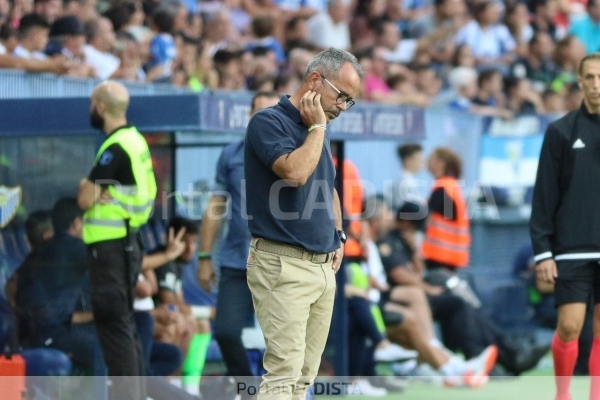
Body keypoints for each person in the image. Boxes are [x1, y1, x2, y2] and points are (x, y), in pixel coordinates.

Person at [243, 47, 363, 399]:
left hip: (321, 266)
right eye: (341, 96)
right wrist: (318, 128)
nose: (342, 106)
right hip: (282, 263)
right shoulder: (269, 122)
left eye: (349, 101)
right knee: (283, 374)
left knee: (304, 378)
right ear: (314, 80)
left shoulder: (317, 128)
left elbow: (328, 186)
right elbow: (295, 172)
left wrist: (338, 234)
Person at [197, 90, 280, 397]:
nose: (264, 118)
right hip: (237, 261)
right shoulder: (231, 154)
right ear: (248, 116)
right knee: (226, 332)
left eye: (271, 112)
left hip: (279, 262)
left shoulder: (293, 154)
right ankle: (250, 392)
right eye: (258, 112)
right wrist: (205, 257)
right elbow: (216, 207)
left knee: (283, 338)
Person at [77, 80, 157, 400]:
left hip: (110, 246)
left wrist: (88, 185)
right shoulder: (135, 141)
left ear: (99, 106)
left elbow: (85, 198)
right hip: (126, 243)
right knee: (124, 327)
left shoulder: (115, 147)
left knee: (114, 327)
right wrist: (100, 192)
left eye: (90, 104)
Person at [531, 52, 600, 400]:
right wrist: (543, 251)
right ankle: (562, 394)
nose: (596, 85)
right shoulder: (560, 131)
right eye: (589, 77)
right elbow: (544, 196)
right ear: (579, 80)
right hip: (572, 248)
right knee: (570, 327)